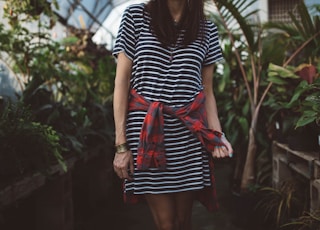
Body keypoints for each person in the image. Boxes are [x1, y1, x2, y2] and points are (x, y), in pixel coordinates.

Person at [112, 0, 233, 229]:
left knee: (182, 221)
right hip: (146, 135)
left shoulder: (206, 28)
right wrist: (121, 145)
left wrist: (217, 136)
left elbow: (207, 92)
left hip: (187, 136)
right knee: (167, 224)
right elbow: (121, 83)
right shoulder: (136, 16)